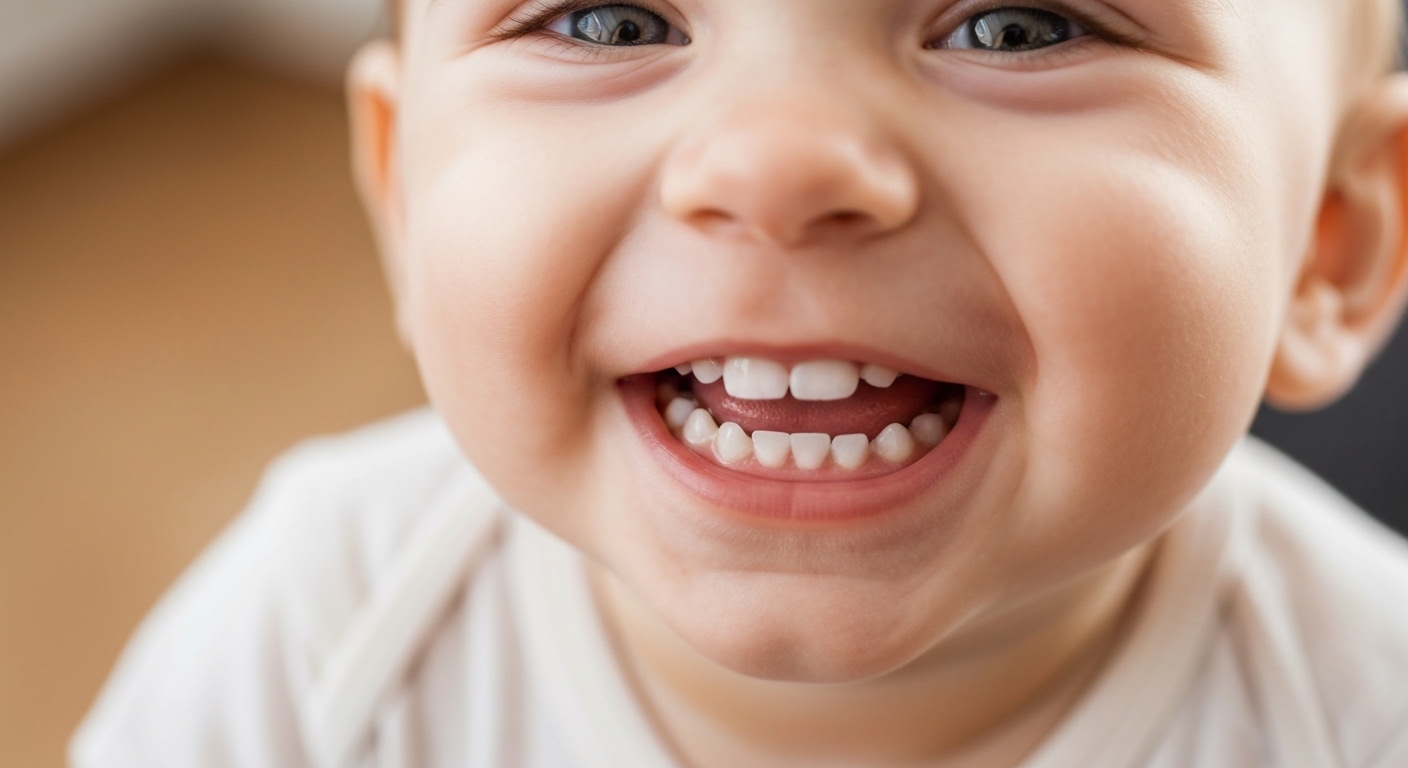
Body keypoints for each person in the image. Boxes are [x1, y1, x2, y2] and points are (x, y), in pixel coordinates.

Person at [70, 1, 1408, 766]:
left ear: (1326, 251)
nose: (778, 163)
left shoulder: (1363, 706)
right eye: (609, 18)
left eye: (1014, 24)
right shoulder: (310, 649)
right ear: (405, 195)